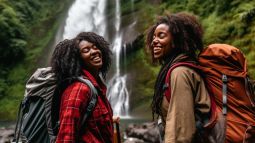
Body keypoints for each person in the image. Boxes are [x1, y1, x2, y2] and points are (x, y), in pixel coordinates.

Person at [146, 12, 211, 143]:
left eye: (161, 36)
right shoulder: (179, 68)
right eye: (153, 37)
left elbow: (180, 131)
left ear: (176, 40)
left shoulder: (180, 72)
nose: (154, 41)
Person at [51, 32, 118, 143]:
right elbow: (66, 137)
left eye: (95, 47)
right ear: (77, 59)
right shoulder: (78, 89)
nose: (94, 52)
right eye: (86, 50)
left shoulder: (97, 87)